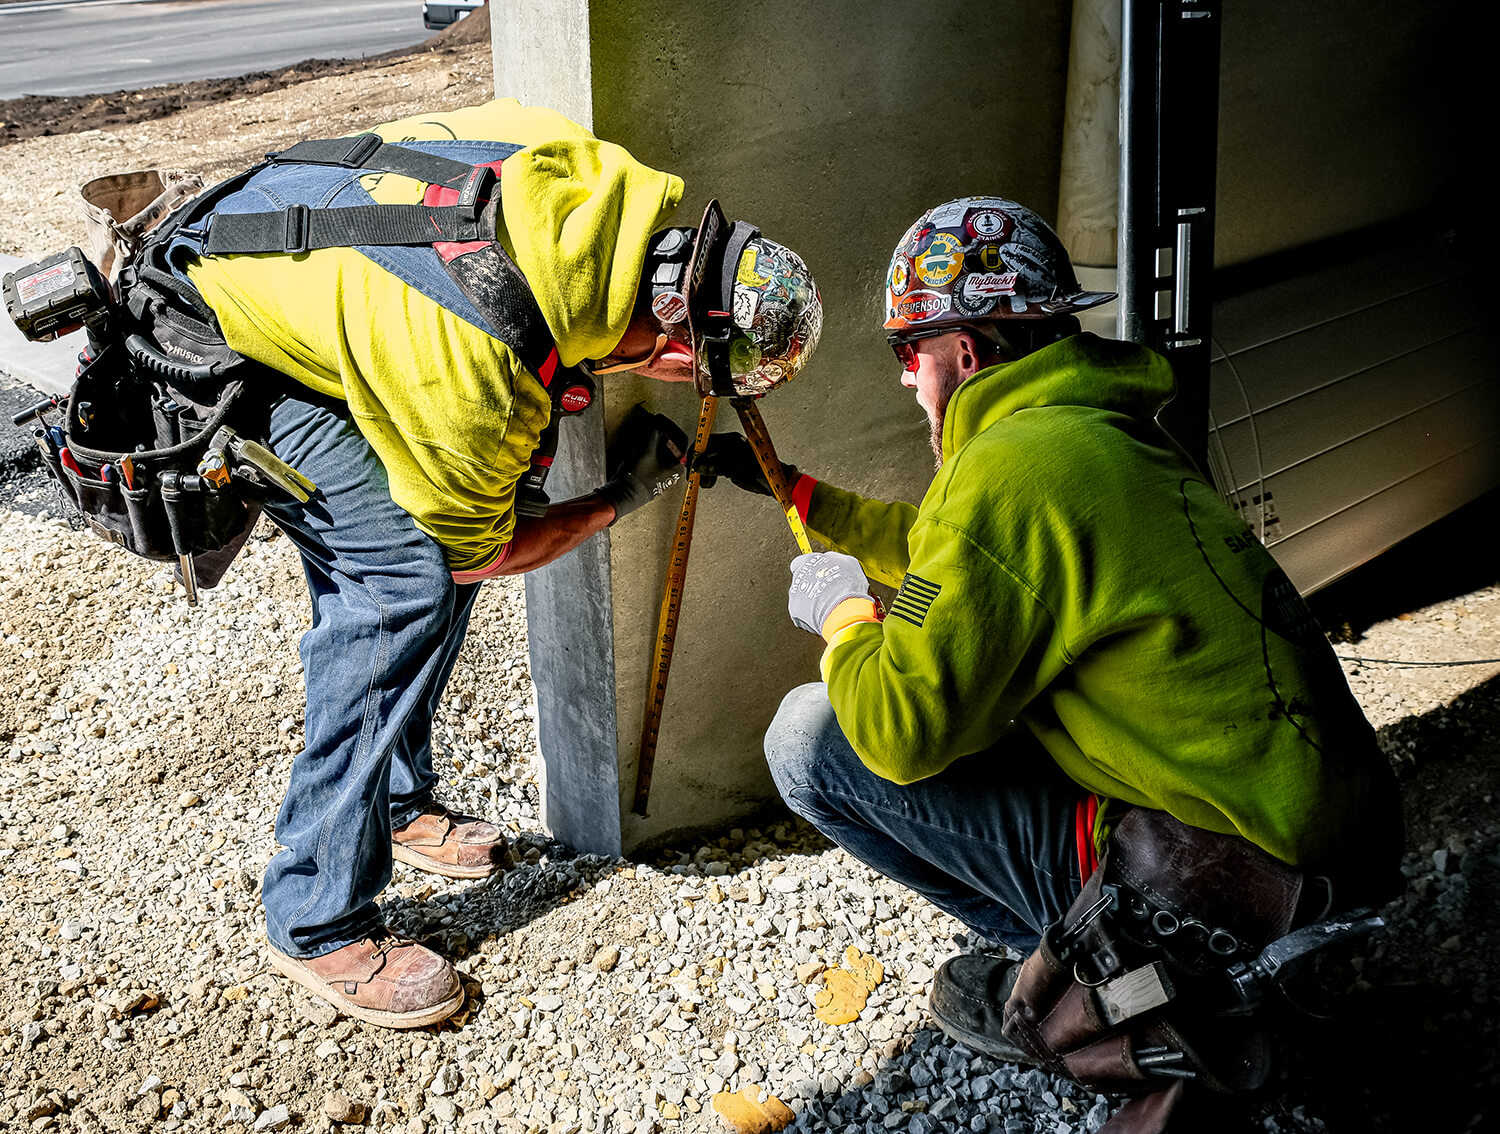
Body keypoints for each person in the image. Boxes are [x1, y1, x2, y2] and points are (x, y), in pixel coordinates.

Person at [698, 196, 1402, 1109]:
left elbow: (896, 731)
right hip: (1333, 855)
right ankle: (1120, 964)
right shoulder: (1098, 437)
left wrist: (843, 619)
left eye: (909, 353)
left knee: (812, 736)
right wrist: (799, 495)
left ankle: (1092, 980)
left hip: (1224, 891)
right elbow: (967, 564)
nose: (908, 380)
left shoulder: (1002, 469)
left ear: (966, 349)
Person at [145, 99, 822, 1028]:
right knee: (405, 586)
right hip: (216, 331)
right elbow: (481, 556)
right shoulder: (479, 369)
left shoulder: (599, 180)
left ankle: (394, 800)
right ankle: (314, 916)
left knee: (424, 540)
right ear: (670, 349)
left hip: (292, 238)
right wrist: (621, 497)